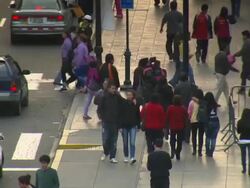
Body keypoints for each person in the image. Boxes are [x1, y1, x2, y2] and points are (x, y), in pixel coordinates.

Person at [99, 81, 123, 163]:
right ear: (109, 89)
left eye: (115, 89)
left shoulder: (117, 97)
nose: (114, 90)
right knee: (106, 139)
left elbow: (122, 106)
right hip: (106, 122)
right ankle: (106, 152)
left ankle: (112, 156)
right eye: (112, 88)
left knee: (114, 140)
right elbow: (100, 108)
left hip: (115, 123)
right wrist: (102, 117)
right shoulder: (104, 97)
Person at [174, 73, 196, 143]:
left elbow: (175, 96)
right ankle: (187, 137)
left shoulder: (177, 87)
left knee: (181, 121)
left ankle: (181, 137)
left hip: (180, 106)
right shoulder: (191, 86)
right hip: (189, 106)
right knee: (188, 123)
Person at [120, 90, 141, 164]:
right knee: (125, 142)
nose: (129, 96)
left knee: (132, 142)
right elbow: (120, 115)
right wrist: (120, 126)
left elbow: (138, 115)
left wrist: (138, 126)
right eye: (128, 95)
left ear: (133, 96)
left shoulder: (135, 104)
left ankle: (132, 157)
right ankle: (126, 156)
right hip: (124, 126)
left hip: (133, 125)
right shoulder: (123, 103)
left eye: (130, 95)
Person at [166, 95, 188, 160]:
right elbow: (186, 116)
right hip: (181, 127)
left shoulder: (170, 108)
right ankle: (178, 152)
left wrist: (167, 124)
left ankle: (172, 150)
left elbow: (167, 117)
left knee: (172, 139)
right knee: (179, 141)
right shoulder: (183, 108)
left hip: (172, 126)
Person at [188, 89, 205, 156]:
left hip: (193, 120)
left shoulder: (192, 102)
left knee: (194, 135)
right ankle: (200, 151)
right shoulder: (203, 102)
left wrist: (189, 118)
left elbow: (189, 112)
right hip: (201, 121)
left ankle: (194, 150)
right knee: (201, 136)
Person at [204, 92, 220, 157]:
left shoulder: (205, 105)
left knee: (208, 137)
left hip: (208, 122)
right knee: (213, 138)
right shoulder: (215, 105)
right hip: (216, 122)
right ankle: (211, 152)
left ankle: (207, 151)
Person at [234, 30, 250, 94]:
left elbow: (242, 51)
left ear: (246, 36)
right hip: (247, 62)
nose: (242, 37)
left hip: (247, 62)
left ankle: (243, 89)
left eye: (243, 36)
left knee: (243, 75)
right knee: (246, 75)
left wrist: (235, 55)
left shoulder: (247, 42)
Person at [237, 108, 250, 175]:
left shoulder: (240, 121)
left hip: (242, 140)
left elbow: (238, 132)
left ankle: (244, 169)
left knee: (243, 154)